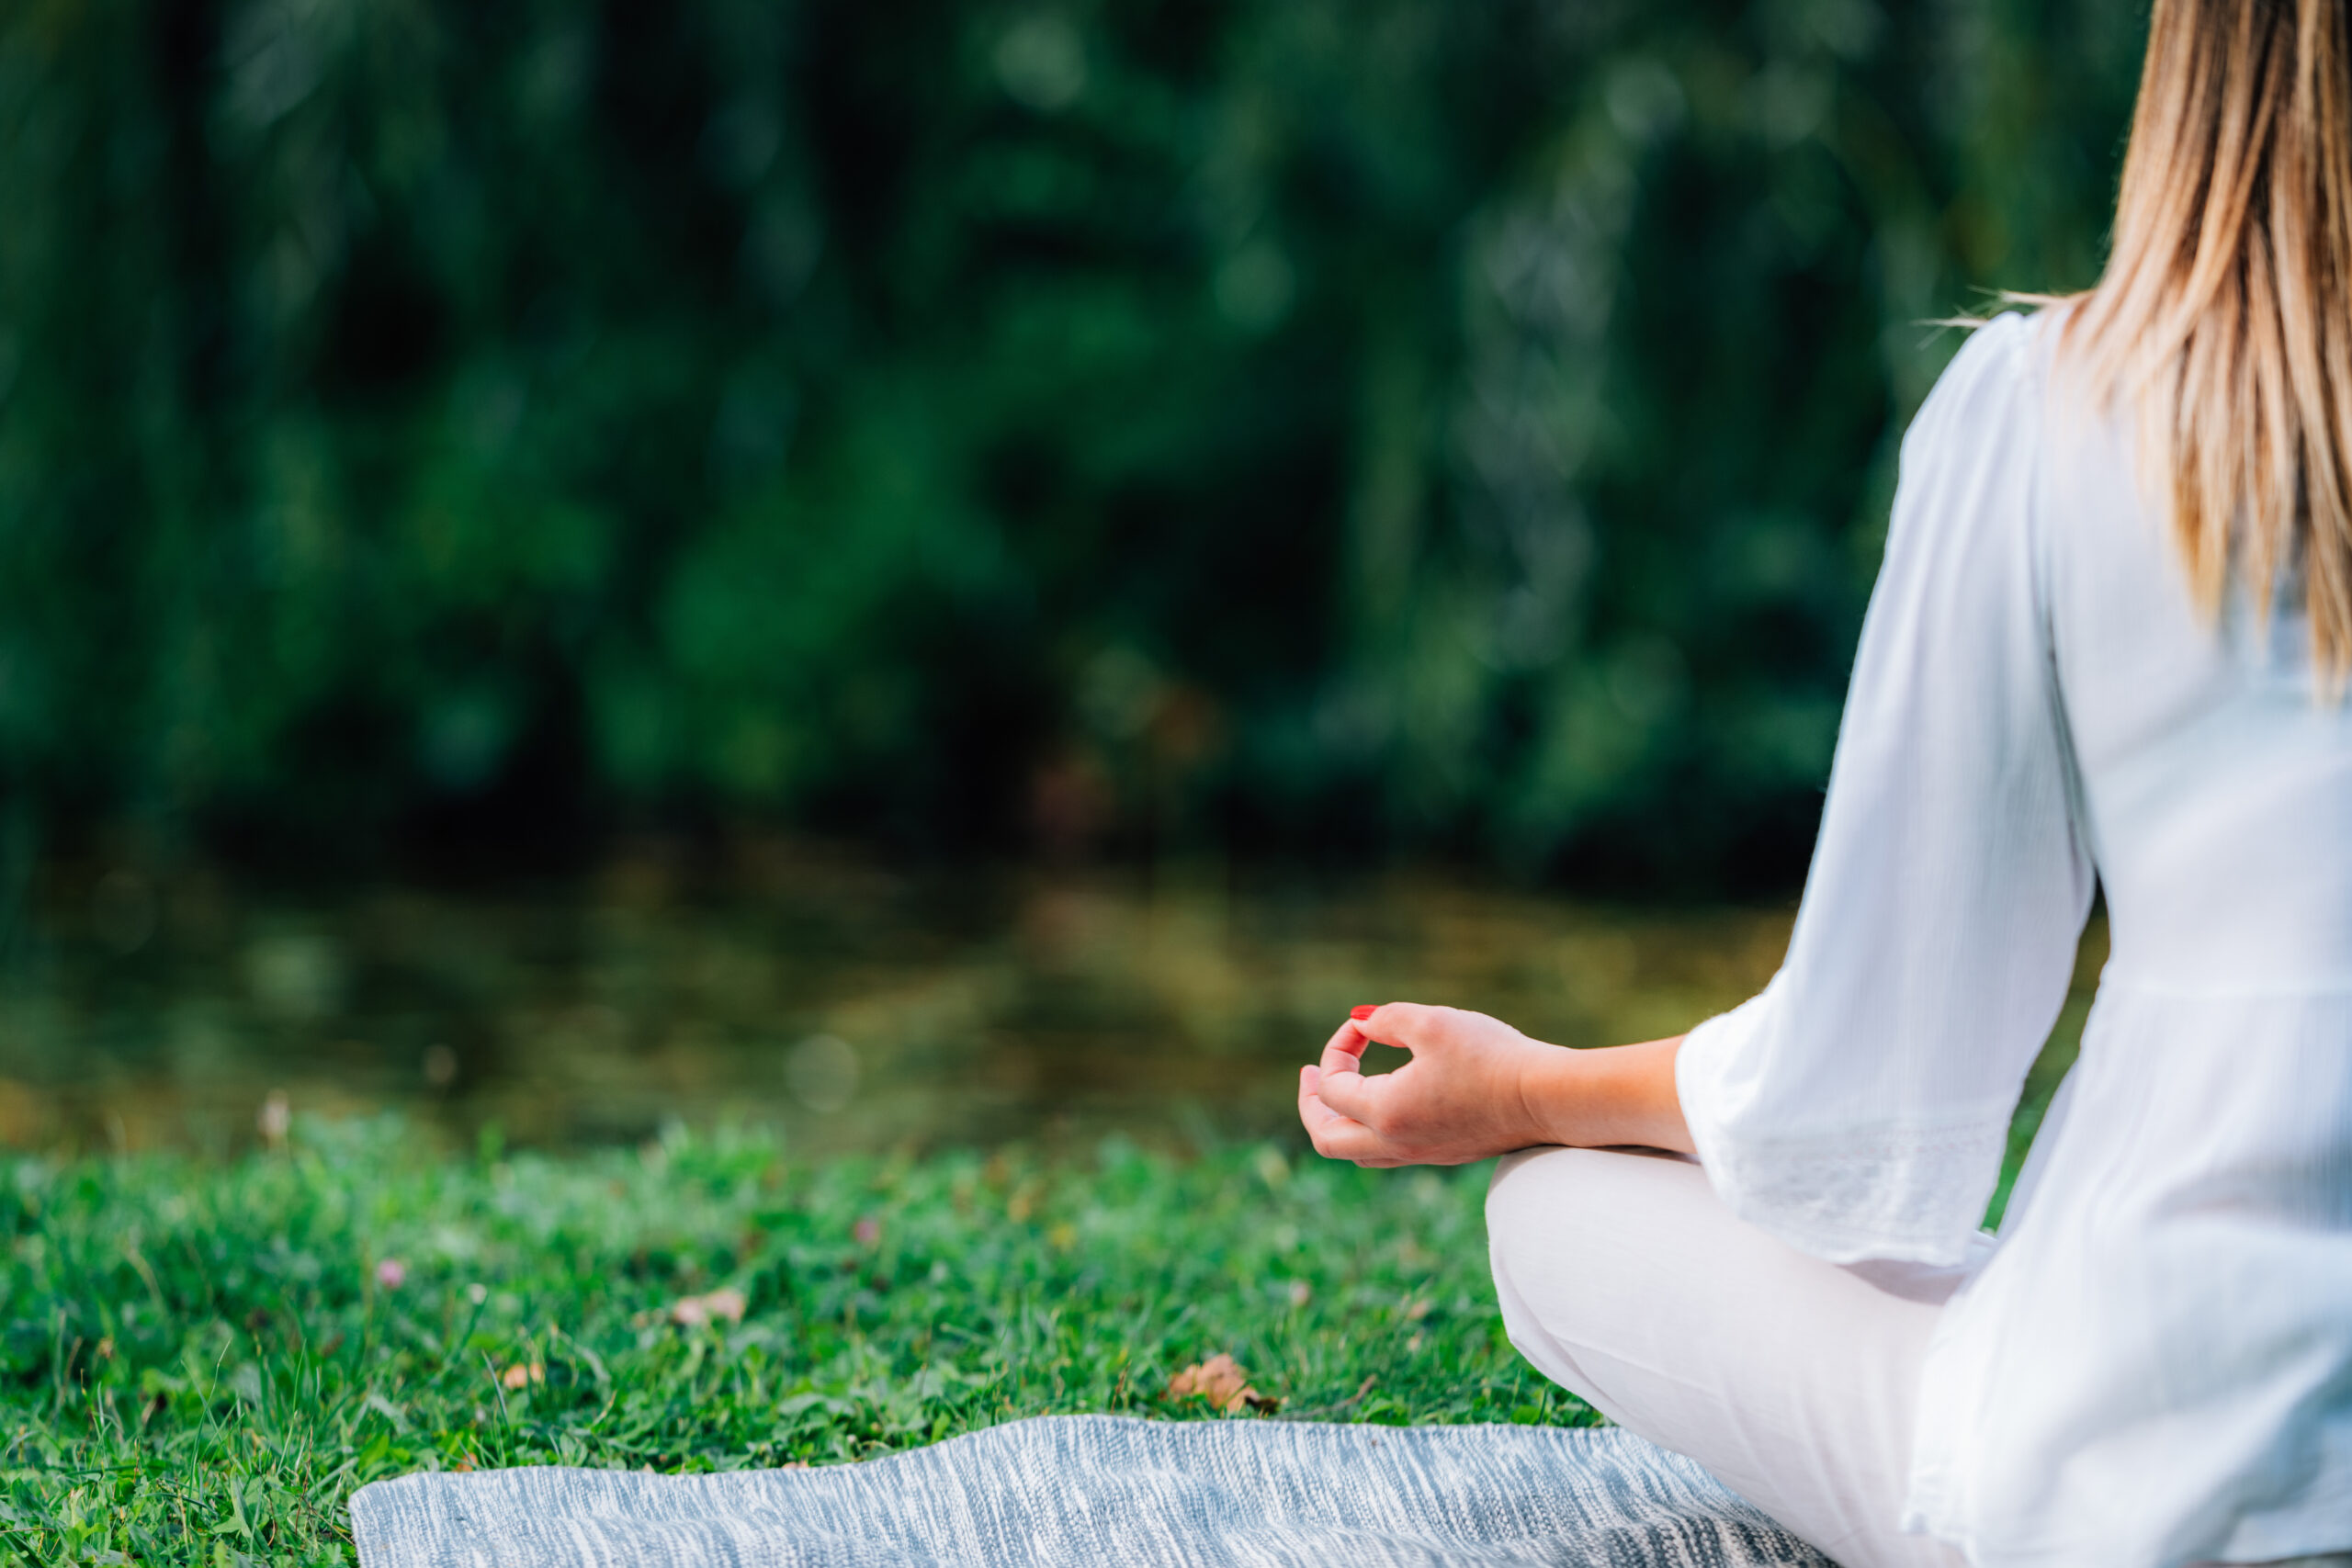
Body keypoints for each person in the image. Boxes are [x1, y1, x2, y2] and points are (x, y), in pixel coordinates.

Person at [1296, 4, 2352, 1565]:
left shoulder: (2053, 410)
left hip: (2144, 1475)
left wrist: (1521, 1091)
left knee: (1555, 1217)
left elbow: (1860, 1110)